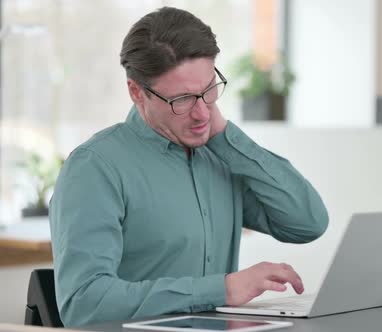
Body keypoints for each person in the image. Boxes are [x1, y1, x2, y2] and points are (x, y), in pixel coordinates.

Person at [49, 7, 328, 327]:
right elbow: (84, 304)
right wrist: (221, 289)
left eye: (209, 90)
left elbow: (307, 223)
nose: (202, 113)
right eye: (182, 99)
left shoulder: (218, 156)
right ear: (136, 92)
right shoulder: (95, 168)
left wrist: (226, 137)